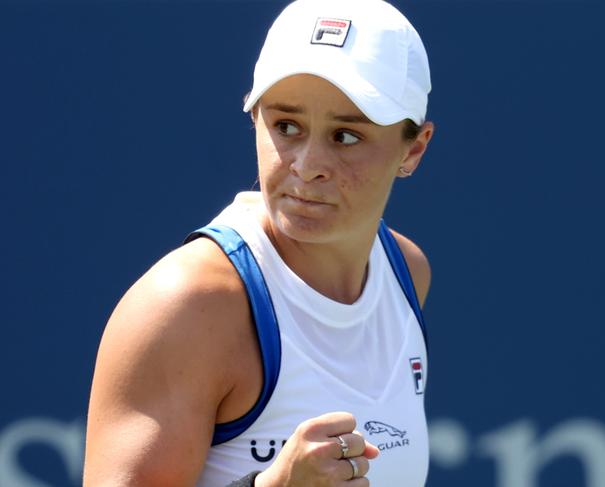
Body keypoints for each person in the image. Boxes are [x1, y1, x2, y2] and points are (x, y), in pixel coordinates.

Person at [84, 0, 435, 485]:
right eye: (286, 126)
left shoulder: (406, 272)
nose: (307, 164)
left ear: (413, 149)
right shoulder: (186, 306)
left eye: (346, 136)